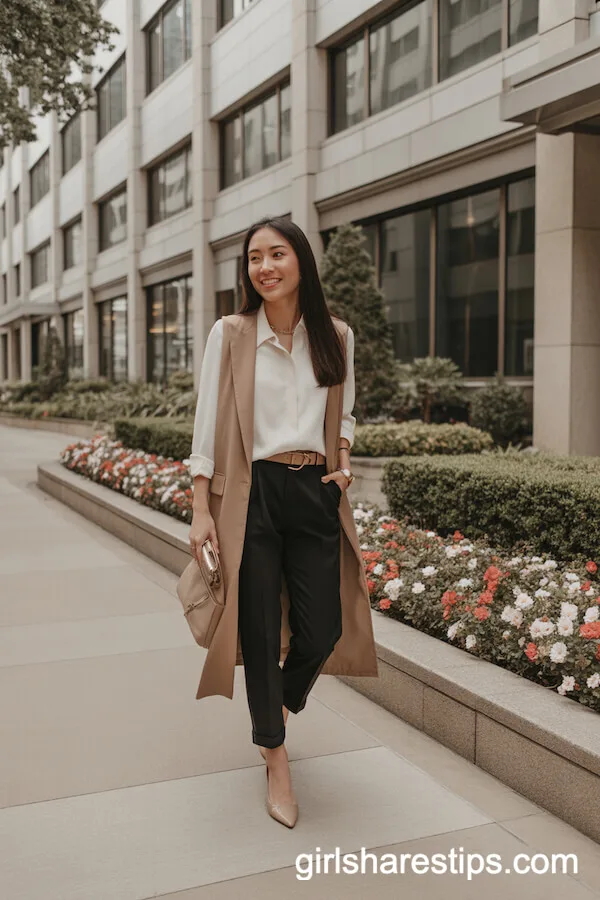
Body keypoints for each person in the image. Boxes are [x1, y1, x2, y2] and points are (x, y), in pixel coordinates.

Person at [188, 216, 376, 829]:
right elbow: (208, 422)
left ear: (301, 261)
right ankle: (275, 753)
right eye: (253, 259)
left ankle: (277, 706)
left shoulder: (337, 335)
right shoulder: (231, 333)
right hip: (252, 492)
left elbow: (342, 414)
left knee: (322, 630)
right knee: (261, 630)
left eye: (276, 254)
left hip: (315, 490)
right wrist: (198, 509)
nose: (263, 267)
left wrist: (343, 464)